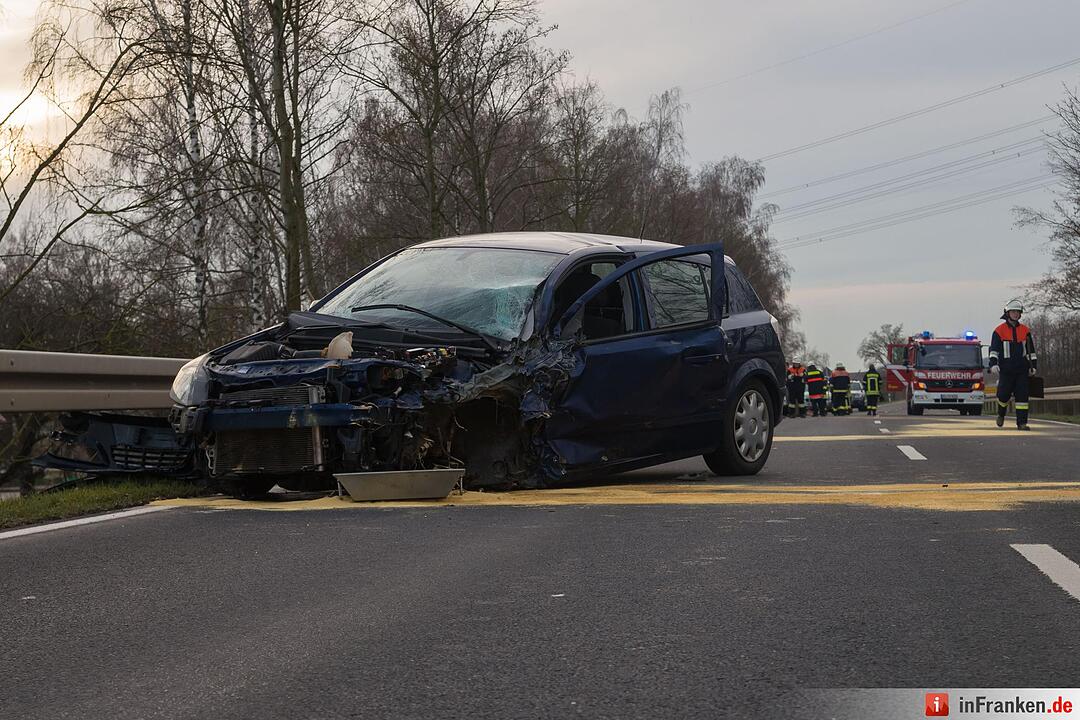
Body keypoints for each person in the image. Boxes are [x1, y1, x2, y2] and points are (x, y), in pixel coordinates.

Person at [988, 299, 1038, 430]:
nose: (1016, 314)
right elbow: (993, 350)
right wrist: (993, 364)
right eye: (1013, 311)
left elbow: (1031, 352)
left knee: (1022, 396)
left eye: (1018, 312)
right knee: (1003, 395)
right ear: (1007, 313)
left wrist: (1034, 367)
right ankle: (1001, 414)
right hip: (1006, 369)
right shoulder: (999, 331)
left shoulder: (1025, 331)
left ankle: (1022, 423)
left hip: (1022, 369)